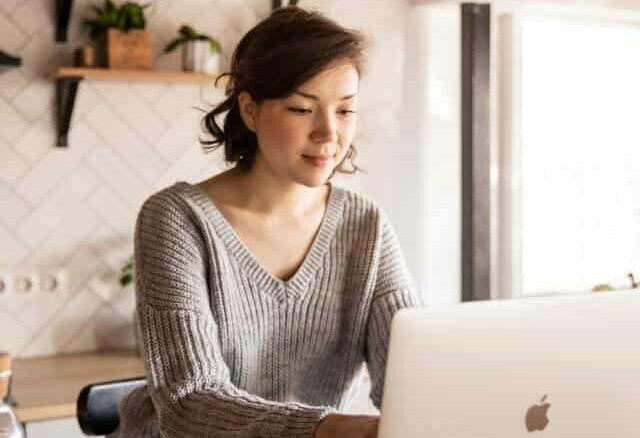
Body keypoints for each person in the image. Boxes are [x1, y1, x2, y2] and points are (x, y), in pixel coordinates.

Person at [111, 6, 422, 438]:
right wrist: (327, 429)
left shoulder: (365, 226)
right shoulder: (177, 219)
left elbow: (412, 379)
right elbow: (189, 402)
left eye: (346, 111)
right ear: (251, 111)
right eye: (301, 109)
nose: (328, 134)